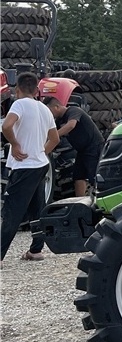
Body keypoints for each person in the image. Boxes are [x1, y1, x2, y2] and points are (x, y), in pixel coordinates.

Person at [1, 72, 60, 262]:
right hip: (40, 164)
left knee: (12, 211)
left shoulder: (18, 104)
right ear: (36, 90)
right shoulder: (44, 109)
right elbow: (55, 138)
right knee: (37, 207)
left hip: (23, 166)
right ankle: (36, 249)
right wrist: (41, 152)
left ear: (17, 89)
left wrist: (15, 145)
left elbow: (7, 126)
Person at [43, 97, 103, 197]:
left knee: (94, 176)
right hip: (81, 150)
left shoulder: (73, 111)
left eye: (49, 111)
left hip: (93, 147)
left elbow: (71, 125)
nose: (48, 115)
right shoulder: (59, 120)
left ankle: (100, 199)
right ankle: (80, 202)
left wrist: (54, 136)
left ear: (56, 107)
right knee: (78, 177)